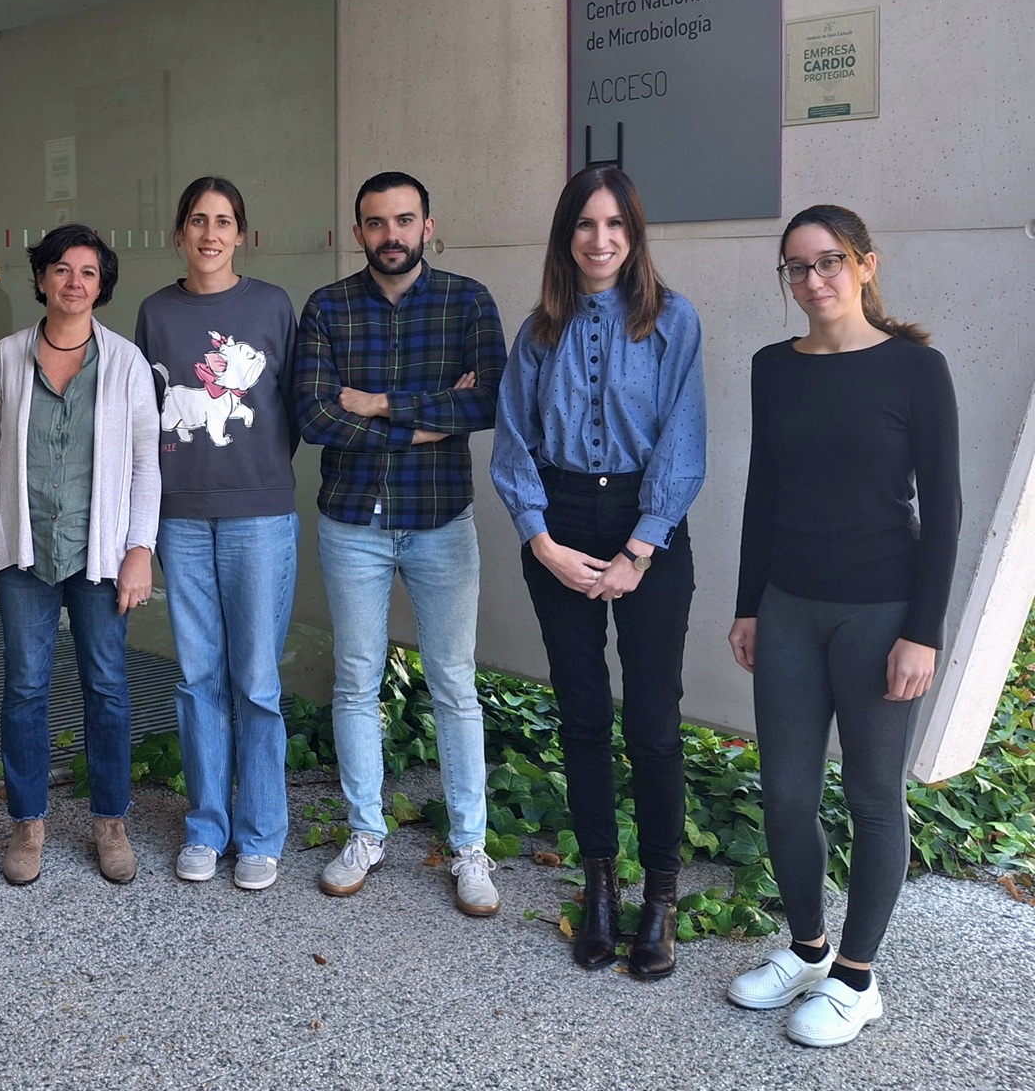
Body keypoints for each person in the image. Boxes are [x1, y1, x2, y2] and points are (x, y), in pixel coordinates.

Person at [724, 205, 960, 1046]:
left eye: (828, 261)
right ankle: (808, 951)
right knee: (787, 795)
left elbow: (945, 506)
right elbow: (763, 490)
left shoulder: (915, 369)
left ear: (865, 265)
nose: (812, 279)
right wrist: (749, 604)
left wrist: (923, 632)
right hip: (789, 607)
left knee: (871, 796)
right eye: (796, 266)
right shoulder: (773, 367)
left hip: (881, 613)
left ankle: (857, 980)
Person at [491, 163, 706, 978]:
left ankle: (661, 898)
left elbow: (684, 439)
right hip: (561, 522)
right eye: (586, 223)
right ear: (566, 235)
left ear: (634, 234)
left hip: (648, 523)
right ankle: (601, 890)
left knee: (652, 721)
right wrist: (542, 541)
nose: (601, 239)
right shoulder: (538, 330)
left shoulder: (672, 321)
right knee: (582, 715)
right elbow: (514, 443)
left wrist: (640, 549)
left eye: (616, 224)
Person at [295, 171, 505, 915]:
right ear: (359, 231)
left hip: (441, 520)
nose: (392, 235)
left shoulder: (467, 300)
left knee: (454, 684)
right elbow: (315, 416)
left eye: (404, 220)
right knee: (356, 681)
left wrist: (380, 403)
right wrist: (425, 422)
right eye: (377, 223)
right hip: (352, 521)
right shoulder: (327, 307)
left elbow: (488, 401)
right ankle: (365, 833)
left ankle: (470, 849)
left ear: (427, 226)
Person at [0, 224, 161, 886]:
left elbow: (146, 464)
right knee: (25, 688)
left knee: (107, 688)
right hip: (23, 551)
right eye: (62, 269)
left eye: (88, 272)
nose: (74, 282)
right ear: (42, 278)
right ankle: (28, 824)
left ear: (102, 285)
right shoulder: (7, 356)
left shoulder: (126, 362)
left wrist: (140, 550)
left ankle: (110, 822)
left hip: (100, 555)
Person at [134, 177, 299, 891]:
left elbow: (291, 407)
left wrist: (253, 474)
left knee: (256, 681)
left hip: (259, 516)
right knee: (198, 678)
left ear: (242, 234)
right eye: (198, 221)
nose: (210, 233)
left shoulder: (272, 306)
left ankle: (261, 835)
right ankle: (206, 827)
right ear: (180, 233)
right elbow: (145, 415)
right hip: (180, 519)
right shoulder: (156, 312)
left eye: (223, 221)